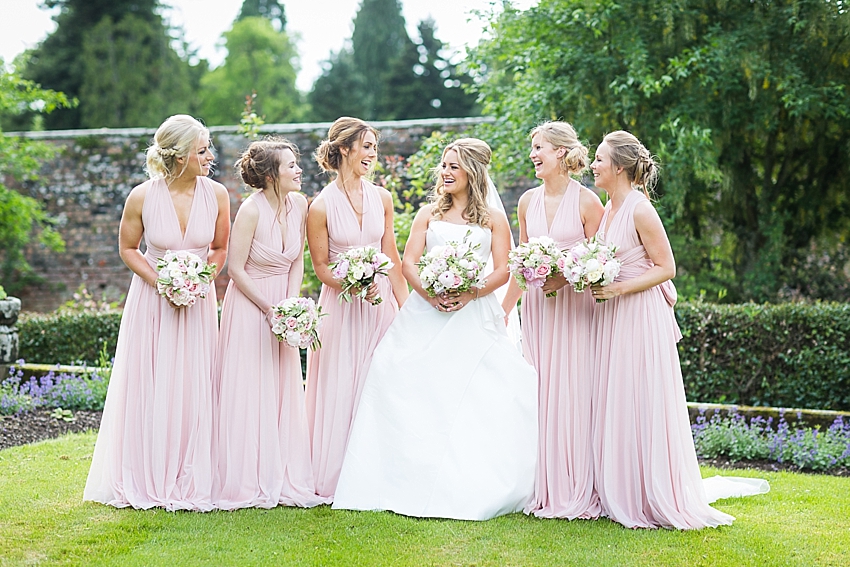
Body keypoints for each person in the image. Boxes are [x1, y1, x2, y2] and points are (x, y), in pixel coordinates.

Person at [332, 138, 538, 521]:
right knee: (398, 377)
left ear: (472, 173)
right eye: (444, 165)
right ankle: (399, 477)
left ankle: (469, 482)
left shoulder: (492, 219)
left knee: (476, 394)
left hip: (473, 315)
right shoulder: (428, 214)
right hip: (426, 311)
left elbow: (503, 269)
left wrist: (470, 293)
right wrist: (430, 295)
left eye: (453, 167)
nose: (444, 172)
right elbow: (408, 262)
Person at [589, 131, 766, 529]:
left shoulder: (639, 209)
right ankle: (622, 487)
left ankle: (652, 492)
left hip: (639, 313)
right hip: (613, 313)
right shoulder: (608, 208)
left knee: (642, 394)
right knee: (618, 394)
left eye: (599, 159)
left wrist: (616, 287)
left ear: (618, 167)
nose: (593, 165)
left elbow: (666, 268)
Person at [84, 115, 230, 511]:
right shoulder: (142, 196)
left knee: (193, 380)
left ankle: (191, 470)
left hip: (198, 301)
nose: (210, 156)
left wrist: (199, 279)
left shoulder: (217, 194)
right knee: (152, 379)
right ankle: (147, 469)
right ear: (180, 156)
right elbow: (129, 248)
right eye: (202, 150)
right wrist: (163, 282)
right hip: (152, 301)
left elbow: (219, 248)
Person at [502, 122, 605, 519]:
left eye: (539, 146)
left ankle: (578, 483)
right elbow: (519, 264)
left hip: (575, 311)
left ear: (561, 152)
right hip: (540, 312)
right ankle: (542, 483)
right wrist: (506, 309)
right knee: (540, 391)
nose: (533, 154)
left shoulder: (588, 203)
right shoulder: (526, 202)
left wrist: (563, 275)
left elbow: (600, 263)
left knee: (574, 390)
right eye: (532, 147)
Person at [213, 139, 321, 509]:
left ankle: (283, 471)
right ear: (272, 174)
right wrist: (269, 307)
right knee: (250, 387)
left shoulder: (301, 205)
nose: (298, 170)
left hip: (282, 304)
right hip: (249, 305)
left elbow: (296, 262)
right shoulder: (250, 211)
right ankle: (246, 477)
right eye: (290, 165)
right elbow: (235, 269)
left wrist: (290, 307)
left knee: (281, 385)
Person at [305, 117, 408, 500]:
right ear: (344, 148)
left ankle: (382, 473)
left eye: (374, 148)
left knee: (381, 383)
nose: (372, 155)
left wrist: (404, 309)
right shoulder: (319, 206)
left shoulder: (382, 197)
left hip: (380, 307)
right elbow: (320, 267)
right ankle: (339, 475)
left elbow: (391, 255)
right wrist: (354, 282)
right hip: (343, 307)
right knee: (342, 383)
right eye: (366, 146)